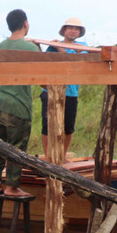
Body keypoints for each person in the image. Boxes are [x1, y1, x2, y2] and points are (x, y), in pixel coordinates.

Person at [0, 9, 39, 197]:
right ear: (25, 24)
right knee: (16, 148)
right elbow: (43, 77)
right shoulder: (31, 49)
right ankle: (11, 187)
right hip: (18, 106)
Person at [40, 17, 87, 159]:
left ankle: (63, 155)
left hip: (71, 92)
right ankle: (48, 156)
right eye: (71, 28)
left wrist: (58, 47)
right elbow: (42, 59)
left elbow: (74, 60)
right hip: (50, 90)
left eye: (77, 29)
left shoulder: (82, 46)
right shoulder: (53, 46)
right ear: (64, 30)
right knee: (47, 125)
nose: (74, 31)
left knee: (68, 126)